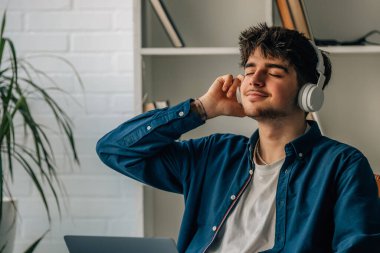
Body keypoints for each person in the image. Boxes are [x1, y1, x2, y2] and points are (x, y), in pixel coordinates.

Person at [96, 23, 380, 253]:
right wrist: (200, 109)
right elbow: (115, 149)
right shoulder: (214, 154)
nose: (255, 80)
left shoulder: (342, 164)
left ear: (309, 92)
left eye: (274, 72)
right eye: (249, 71)